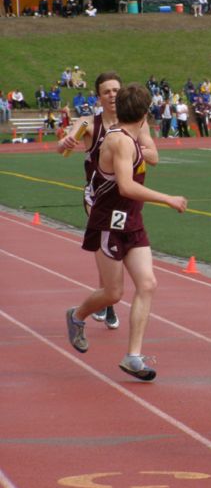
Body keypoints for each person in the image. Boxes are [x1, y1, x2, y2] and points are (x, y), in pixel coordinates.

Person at [65, 83, 186, 381]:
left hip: (131, 219)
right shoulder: (120, 141)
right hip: (108, 221)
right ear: (146, 113)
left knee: (147, 284)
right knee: (113, 292)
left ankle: (133, 356)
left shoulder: (135, 136)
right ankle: (77, 315)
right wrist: (168, 198)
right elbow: (126, 186)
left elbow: (152, 157)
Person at [58, 72, 160, 328]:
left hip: (127, 197)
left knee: (122, 248)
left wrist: (130, 145)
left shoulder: (138, 123)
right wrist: (66, 141)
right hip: (98, 197)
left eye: (116, 90)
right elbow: (64, 149)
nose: (113, 95)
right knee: (108, 241)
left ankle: (107, 297)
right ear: (99, 96)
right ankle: (109, 300)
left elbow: (154, 156)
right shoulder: (89, 124)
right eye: (107, 91)